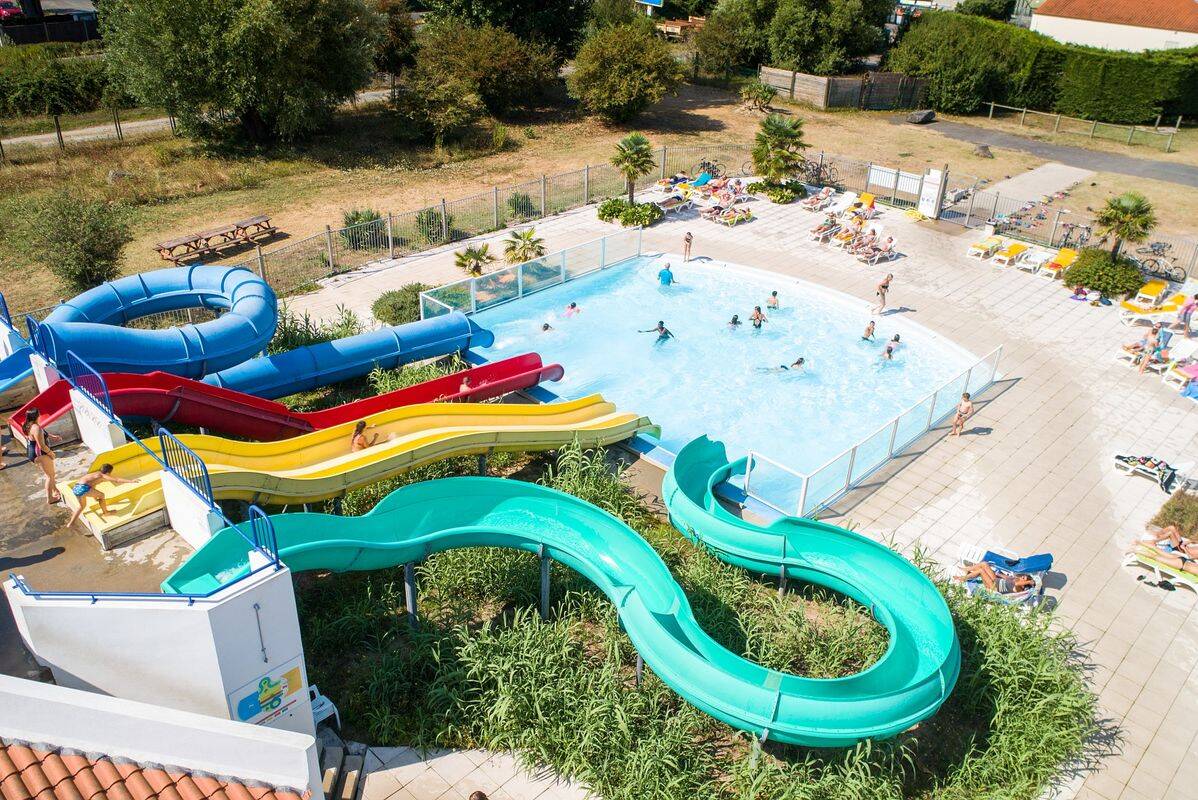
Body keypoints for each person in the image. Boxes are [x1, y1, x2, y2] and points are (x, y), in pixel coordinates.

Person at [66, 464, 136, 528]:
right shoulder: (102, 475)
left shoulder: (94, 474)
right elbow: (117, 480)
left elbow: (92, 486)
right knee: (102, 495)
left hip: (76, 488)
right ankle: (106, 512)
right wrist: (131, 481)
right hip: (83, 488)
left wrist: (94, 497)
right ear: (108, 473)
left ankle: (70, 524)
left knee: (81, 507)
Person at [22, 408, 62, 504]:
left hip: (32, 452)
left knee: (50, 474)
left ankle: (55, 490)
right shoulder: (36, 427)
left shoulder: (28, 424)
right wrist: (51, 453)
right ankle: (50, 498)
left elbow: (40, 434)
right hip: (40, 454)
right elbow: (42, 446)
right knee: (50, 476)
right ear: (37, 416)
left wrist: (52, 436)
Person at [955, 561, 1035, 594]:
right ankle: (966, 569)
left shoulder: (1019, 589)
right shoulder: (1016, 579)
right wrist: (997, 573)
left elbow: (1017, 583)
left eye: (1023, 578)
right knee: (984, 564)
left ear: (1024, 584)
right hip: (995, 580)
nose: (1021, 577)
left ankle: (961, 579)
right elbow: (1006, 577)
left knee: (981, 571)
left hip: (993, 587)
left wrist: (1029, 582)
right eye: (1023, 576)